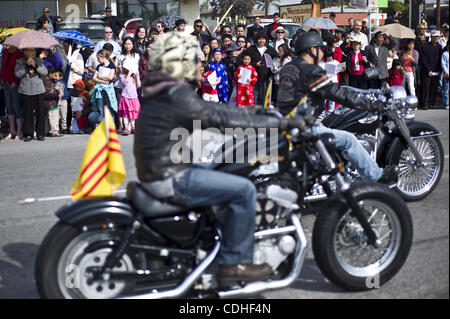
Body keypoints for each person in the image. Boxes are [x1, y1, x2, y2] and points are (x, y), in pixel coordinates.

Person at [135, 31, 302, 285]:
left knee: (219, 169)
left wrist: (260, 111)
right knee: (244, 189)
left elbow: (216, 111)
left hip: (162, 168)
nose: (200, 63)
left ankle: (220, 238)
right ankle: (233, 263)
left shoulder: (163, 90)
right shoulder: (176, 93)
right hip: (171, 176)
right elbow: (219, 118)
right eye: (194, 59)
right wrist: (276, 123)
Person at [276, 32, 398, 183]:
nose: (322, 54)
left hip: (284, 123)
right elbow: (338, 94)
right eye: (321, 49)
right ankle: (376, 175)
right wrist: (373, 105)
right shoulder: (311, 71)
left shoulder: (288, 67)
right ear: (313, 50)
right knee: (349, 139)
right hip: (303, 128)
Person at [14, 48, 48, 142]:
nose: (32, 53)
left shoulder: (39, 60)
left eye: (33, 51)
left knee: (40, 113)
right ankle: (28, 134)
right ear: (24, 52)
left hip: (39, 90)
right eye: (29, 51)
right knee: (27, 113)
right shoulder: (19, 61)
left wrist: (35, 65)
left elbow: (45, 72)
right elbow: (17, 74)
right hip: (26, 90)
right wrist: (26, 66)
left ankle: (40, 133)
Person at [240, 31, 277, 105]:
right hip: (253, 78)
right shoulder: (251, 49)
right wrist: (255, 64)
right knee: (254, 97)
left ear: (266, 40)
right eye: (259, 39)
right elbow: (243, 60)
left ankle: (263, 113)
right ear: (256, 39)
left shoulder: (270, 50)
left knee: (264, 97)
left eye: (263, 39)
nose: (261, 41)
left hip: (266, 77)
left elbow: (276, 60)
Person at [1, 44, 23, 140]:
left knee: (16, 107)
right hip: (5, 82)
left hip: (14, 83)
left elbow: (18, 70)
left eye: (8, 43)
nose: (5, 45)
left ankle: (19, 131)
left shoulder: (18, 53)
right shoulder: (5, 52)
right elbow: (2, 66)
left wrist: (15, 81)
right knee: (9, 107)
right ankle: (12, 130)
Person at [419, 30, 444, 110]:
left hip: (437, 71)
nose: (437, 38)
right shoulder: (425, 46)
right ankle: (424, 104)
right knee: (425, 88)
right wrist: (428, 70)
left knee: (434, 88)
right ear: (431, 37)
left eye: (438, 36)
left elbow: (441, 59)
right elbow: (423, 60)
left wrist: (440, 69)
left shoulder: (440, 47)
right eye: (435, 36)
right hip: (427, 71)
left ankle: (431, 103)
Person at [92, 49, 117, 124]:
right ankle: (101, 124)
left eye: (98, 58)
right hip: (100, 89)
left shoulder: (111, 66)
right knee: (101, 109)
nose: (97, 60)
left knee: (109, 107)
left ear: (103, 57)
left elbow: (110, 77)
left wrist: (100, 76)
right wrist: (102, 81)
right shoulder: (99, 66)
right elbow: (94, 77)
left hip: (108, 90)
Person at [118, 65, 141, 135]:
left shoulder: (133, 76)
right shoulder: (122, 75)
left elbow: (139, 85)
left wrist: (137, 77)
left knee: (132, 113)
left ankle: (133, 127)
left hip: (133, 97)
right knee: (125, 113)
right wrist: (129, 73)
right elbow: (125, 82)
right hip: (125, 97)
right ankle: (126, 128)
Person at [43, 67, 65, 137]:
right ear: (50, 74)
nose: (53, 76)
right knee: (54, 117)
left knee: (47, 118)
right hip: (51, 103)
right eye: (53, 74)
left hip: (46, 103)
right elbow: (49, 94)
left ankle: (46, 130)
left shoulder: (44, 81)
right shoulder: (49, 83)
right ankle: (54, 131)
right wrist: (57, 96)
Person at [442, 42, 449, 110]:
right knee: (446, 90)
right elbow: (443, 64)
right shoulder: (445, 54)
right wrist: (447, 73)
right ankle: (446, 104)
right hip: (447, 75)